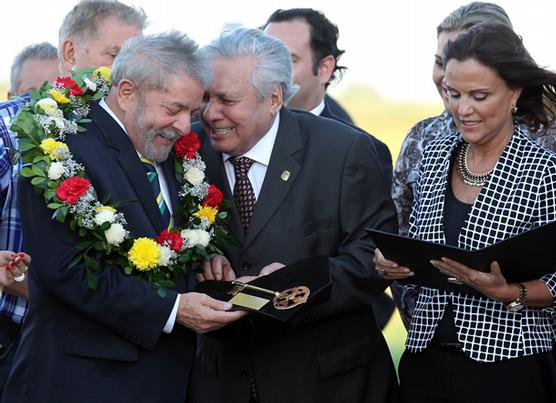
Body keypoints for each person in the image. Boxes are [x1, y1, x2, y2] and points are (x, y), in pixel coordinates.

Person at [2, 31, 244, 403]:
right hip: (84, 383)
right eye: (173, 108)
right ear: (127, 92)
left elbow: (167, 246)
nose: (184, 126)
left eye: (191, 113)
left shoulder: (170, 148)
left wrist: (208, 260)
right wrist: (173, 309)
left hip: (167, 380)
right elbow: (66, 269)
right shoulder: (61, 149)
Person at [192, 28, 398, 403]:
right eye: (204, 98)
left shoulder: (346, 151)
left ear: (274, 98)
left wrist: (295, 285)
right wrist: (198, 258)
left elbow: (372, 261)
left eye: (227, 99)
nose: (210, 113)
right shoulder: (186, 152)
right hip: (222, 382)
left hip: (329, 384)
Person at [375, 23, 556, 403]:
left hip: (508, 368)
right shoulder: (436, 153)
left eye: (479, 95)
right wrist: (393, 264)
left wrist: (509, 292)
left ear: (514, 93)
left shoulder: (543, 170)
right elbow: (423, 246)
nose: (463, 108)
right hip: (425, 361)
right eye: (452, 93)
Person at [0, 2, 147, 397]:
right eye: (117, 56)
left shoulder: (141, 137)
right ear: (70, 53)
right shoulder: (9, 127)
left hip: (108, 346)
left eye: (138, 60)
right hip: (12, 337)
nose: (129, 73)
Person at [263, 8, 395, 328]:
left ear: (324, 69)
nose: (271, 75)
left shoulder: (356, 147)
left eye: (288, 61)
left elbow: (368, 262)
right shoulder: (221, 139)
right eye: (265, 62)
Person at [390, 2, 515, 329]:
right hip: (432, 350)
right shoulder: (421, 138)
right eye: (440, 61)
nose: (447, 75)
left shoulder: (547, 138)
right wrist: (424, 330)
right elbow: (400, 240)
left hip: (527, 351)